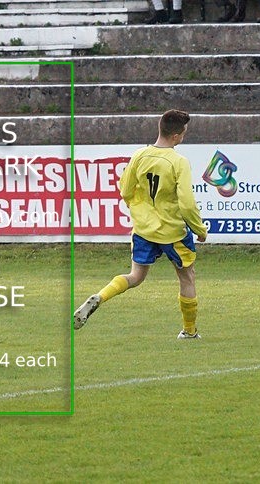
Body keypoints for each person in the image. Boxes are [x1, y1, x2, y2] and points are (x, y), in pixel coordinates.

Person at [73, 109, 208, 339]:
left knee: (135, 276)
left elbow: (125, 190)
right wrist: (199, 229)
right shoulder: (179, 162)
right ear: (176, 136)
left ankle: (100, 296)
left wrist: (141, 211)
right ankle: (189, 331)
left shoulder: (139, 155)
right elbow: (186, 203)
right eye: (184, 132)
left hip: (143, 230)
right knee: (187, 277)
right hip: (172, 232)